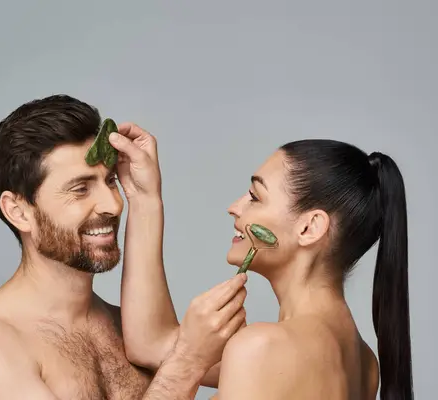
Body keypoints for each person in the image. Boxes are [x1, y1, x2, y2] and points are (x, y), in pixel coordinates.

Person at [0, 94, 247, 399]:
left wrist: (144, 198)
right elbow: (185, 362)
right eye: (81, 189)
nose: (113, 204)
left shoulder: (130, 332)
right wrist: (186, 362)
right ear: (18, 212)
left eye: (111, 181)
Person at [120, 138, 414, 399]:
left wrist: (187, 363)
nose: (234, 207)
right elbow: (150, 344)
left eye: (255, 196)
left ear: (309, 227)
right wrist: (144, 198)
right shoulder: (364, 363)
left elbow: (167, 354)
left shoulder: (262, 348)